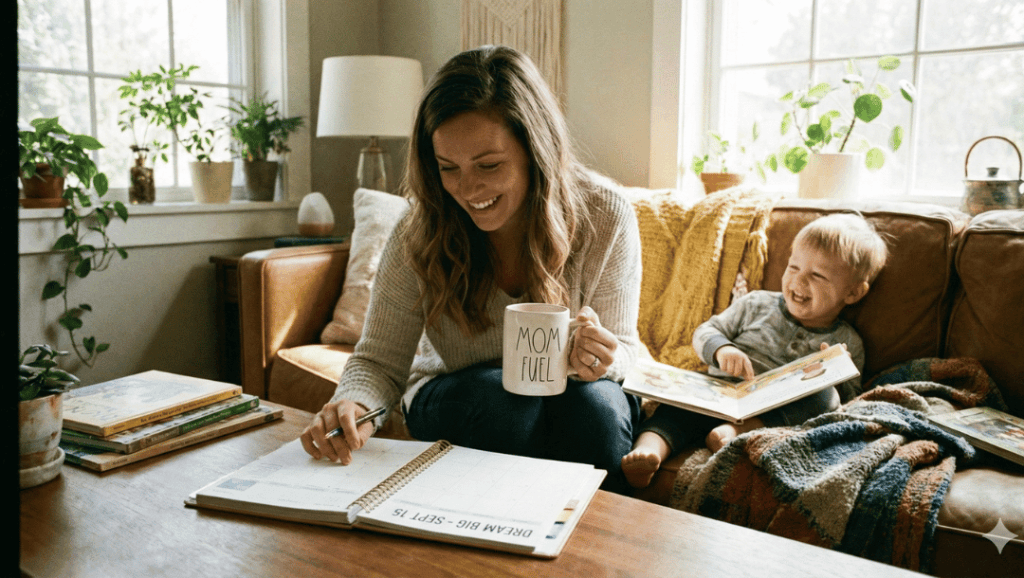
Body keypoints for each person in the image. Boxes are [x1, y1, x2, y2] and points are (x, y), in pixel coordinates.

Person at [300, 45, 644, 493]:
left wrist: (601, 357)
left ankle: (591, 536)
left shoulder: (605, 214)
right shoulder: (419, 228)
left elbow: (627, 351)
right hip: (458, 390)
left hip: (571, 391)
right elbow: (379, 361)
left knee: (596, 409)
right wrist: (352, 405)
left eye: (489, 165)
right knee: (503, 403)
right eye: (448, 168)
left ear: (535, 150)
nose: (467, 189)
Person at [622, 213, 888, 489]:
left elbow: (846, 404)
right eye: (794, 267)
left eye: (817, 275)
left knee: (825, 396)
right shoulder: (756, 303)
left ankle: (736, 431)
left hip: (774, 414)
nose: (798, 280)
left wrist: (833, 372)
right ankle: (649, 450)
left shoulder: (847, 341)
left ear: (853, 293)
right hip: (720, 393)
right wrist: (723, 349)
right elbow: (705, 332)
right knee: (676, 408)